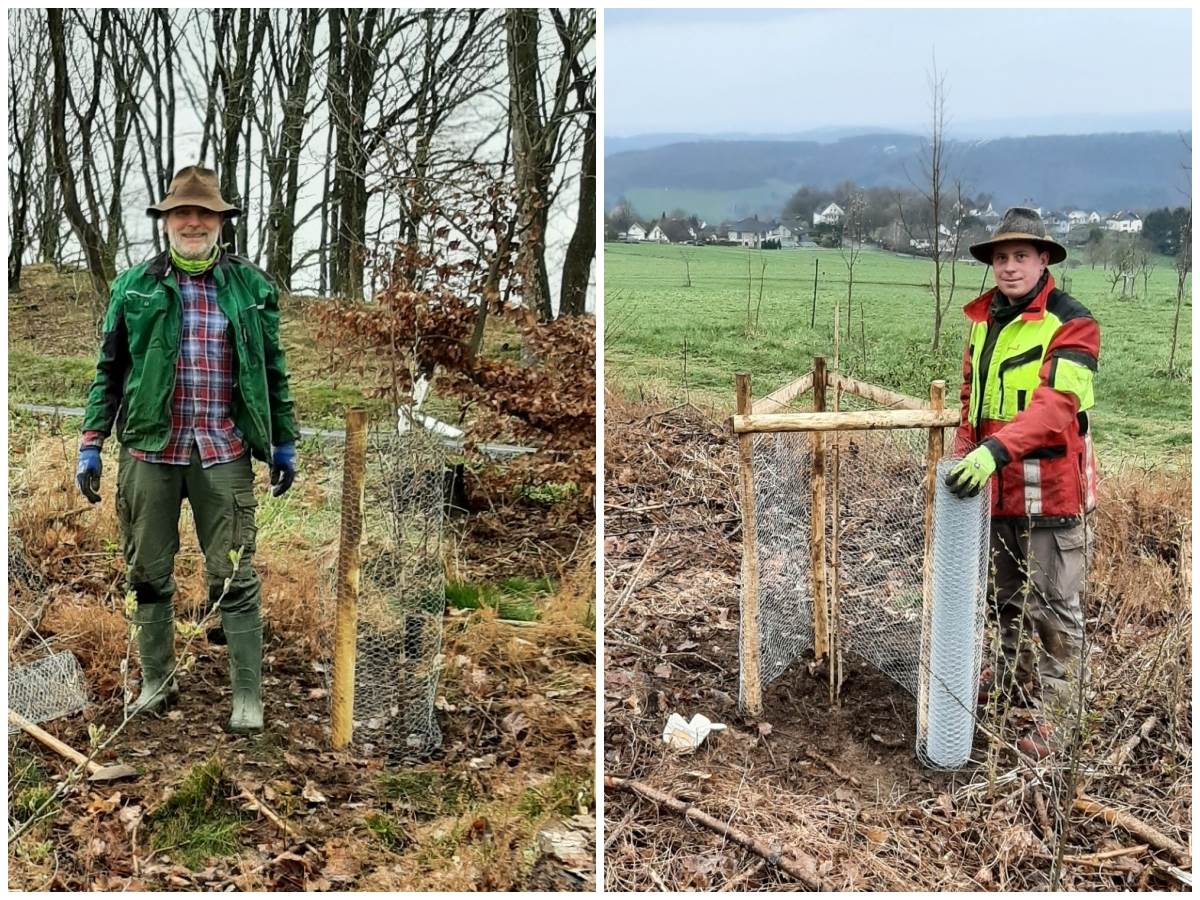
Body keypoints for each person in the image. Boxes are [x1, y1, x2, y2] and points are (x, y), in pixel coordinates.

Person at [76, 166, 297, 734]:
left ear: (221, 221)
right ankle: (157, 681)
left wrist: (283, 441)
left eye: (204, 213)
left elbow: (273, 370)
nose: (193, 222)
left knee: (234, 573)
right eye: (182, 213)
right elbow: (108, 370)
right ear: (166, 222)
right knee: (147, 571)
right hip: (150, 453)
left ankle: (247, 696)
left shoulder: (251, 288)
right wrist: (91, 441)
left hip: (223, 452)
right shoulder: (134, 287)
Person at [944, 207, 1099, 760]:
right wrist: (964, 452)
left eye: (1021, 257)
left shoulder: (1074, 323)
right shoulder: (983, 322)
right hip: (996, 489)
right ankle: (1010, 680)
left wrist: (993, 450)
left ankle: (1059, 717)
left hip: (1050, 492)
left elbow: (1057, 407)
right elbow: (971, 397)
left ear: (1043, 260)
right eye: (1001, 258)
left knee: (1055, 608)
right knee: (1004, 598)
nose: (1010, 267)